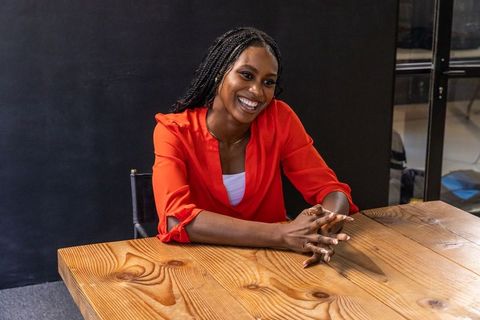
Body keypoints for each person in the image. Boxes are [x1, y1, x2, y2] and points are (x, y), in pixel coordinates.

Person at [152, 27, 358, 268]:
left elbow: (332, 190)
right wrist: (283, 235)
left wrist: (322, 227)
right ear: (220, 73)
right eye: (247, 75)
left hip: (278, 265)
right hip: (202, 270)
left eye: (268, 82)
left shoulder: (279, 119)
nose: (257, 92)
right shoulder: (174, 131)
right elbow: (175, 218)